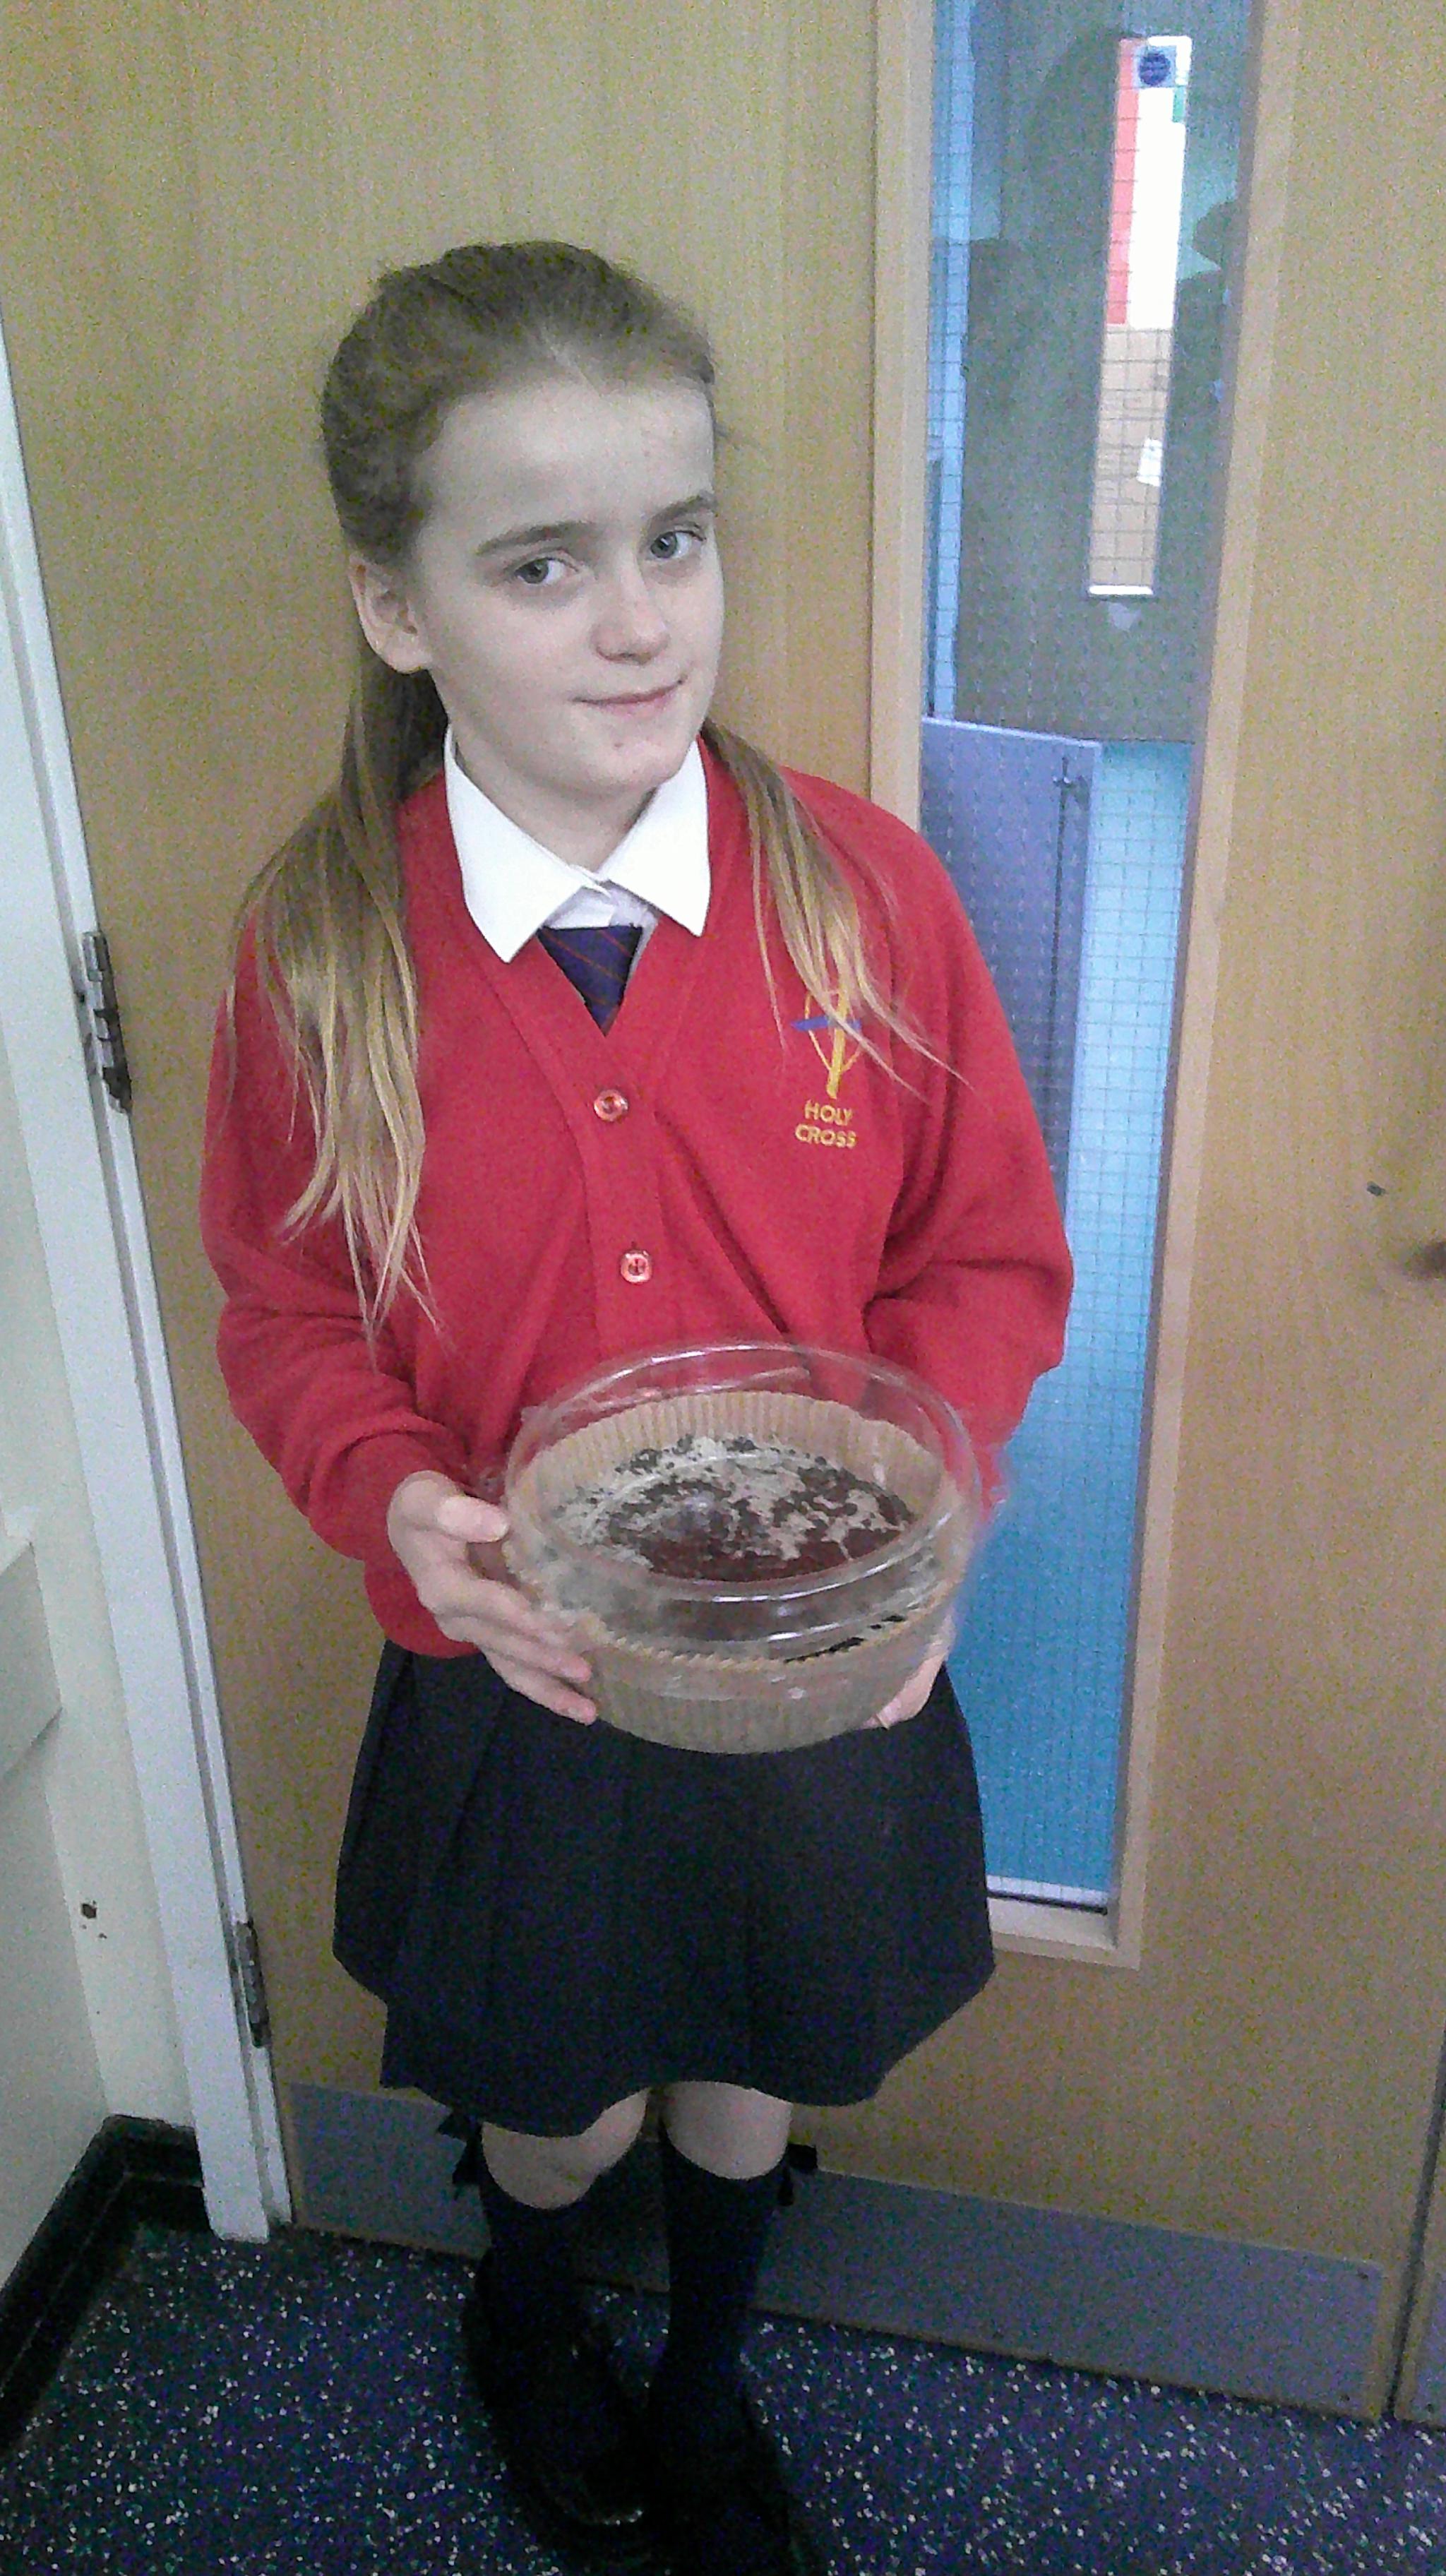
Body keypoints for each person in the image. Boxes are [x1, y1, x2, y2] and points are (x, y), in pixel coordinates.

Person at [201, 240, 1072, 2576]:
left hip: (814, 1657)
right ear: (397, 606)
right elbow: (285, 1310)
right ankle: (530, 2307)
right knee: (562, 2100)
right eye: (541, 563)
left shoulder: (864, 898)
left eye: (675, 539)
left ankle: (703, 2379)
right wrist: (394, 1499)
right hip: (522, 1667)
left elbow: (983, 1260)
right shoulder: (326, 958)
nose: (637, 622)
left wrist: (937, 1490)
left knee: (755, 2057)